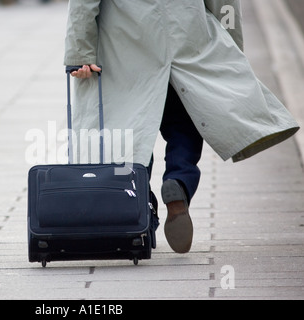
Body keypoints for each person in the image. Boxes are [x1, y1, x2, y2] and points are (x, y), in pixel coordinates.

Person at [64, 0, 300, 253]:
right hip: (187, 35)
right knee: (185, 119)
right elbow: (225, 3)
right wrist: (230, 49)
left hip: (125, 44)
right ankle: (179, 179)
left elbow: (83, 3)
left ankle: (139, 207)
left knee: (129, 129)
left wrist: (80, 53)